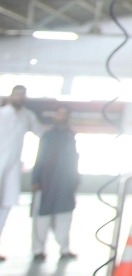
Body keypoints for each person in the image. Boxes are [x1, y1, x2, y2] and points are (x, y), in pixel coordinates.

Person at [0, 85, 42, 262]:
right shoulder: (2, 113)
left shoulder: (28, 116)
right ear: (11, 96)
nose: (20, 97)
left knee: (5, 206)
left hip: (12, 169)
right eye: (17, 94)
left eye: (23, 94)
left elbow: (41, 133)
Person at [31, 105, 79, 261]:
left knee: (64, 216)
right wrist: (36, 179)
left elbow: (74, 160)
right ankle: (38, 249)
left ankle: (64, 249)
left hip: (66, 184)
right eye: (59, 113)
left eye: (65, 114)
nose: (62, 116)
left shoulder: (71, 136)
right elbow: (39, 158)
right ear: (55, 116)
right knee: (42, 217)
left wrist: (75, 180)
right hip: (46, 182)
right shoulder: (48, 136)